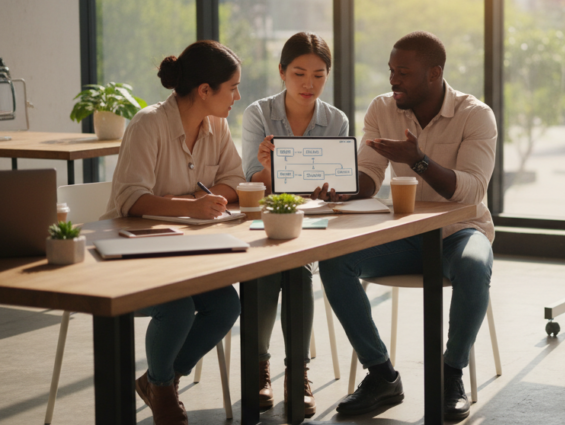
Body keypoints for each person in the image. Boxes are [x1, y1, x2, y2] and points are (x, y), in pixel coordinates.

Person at [319, 31, 496, 422]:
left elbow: (471, 192)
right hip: (404, 234)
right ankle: (381, 375)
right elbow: (368, 172)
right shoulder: (383, 109)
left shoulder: (475, 115)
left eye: (403, 72)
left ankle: (450, 375)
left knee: (472, 265)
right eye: (390, 71)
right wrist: (344, 190)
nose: (393, 80)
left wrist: (418, 161)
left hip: (461, 230)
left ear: (434, 74)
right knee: (334, 261)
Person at [102, 40, 245, 425]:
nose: (237, 96)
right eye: (232, 87)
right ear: (204, 91)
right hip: (132, 253)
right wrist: (191, 206)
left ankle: (157, 381)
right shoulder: (149, 123)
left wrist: (214, 198)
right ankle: (163, 391)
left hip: (188, 252)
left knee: (227, 304)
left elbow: (234, 179)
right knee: (176, 305)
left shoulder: (218, 125)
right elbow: (132, 199)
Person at [241, 32, 349, 417]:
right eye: (300, 73)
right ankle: (257, 368)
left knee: (299, 271)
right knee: (266, 271)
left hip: (310, 222)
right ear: (282, 72)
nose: (309, 84)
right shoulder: (258, 113)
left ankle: (297, 374)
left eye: (319, 75)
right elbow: (251, 181)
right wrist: (267, 171)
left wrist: (332, 190)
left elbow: (332, 188)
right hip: (263, 221)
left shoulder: (335, 119)